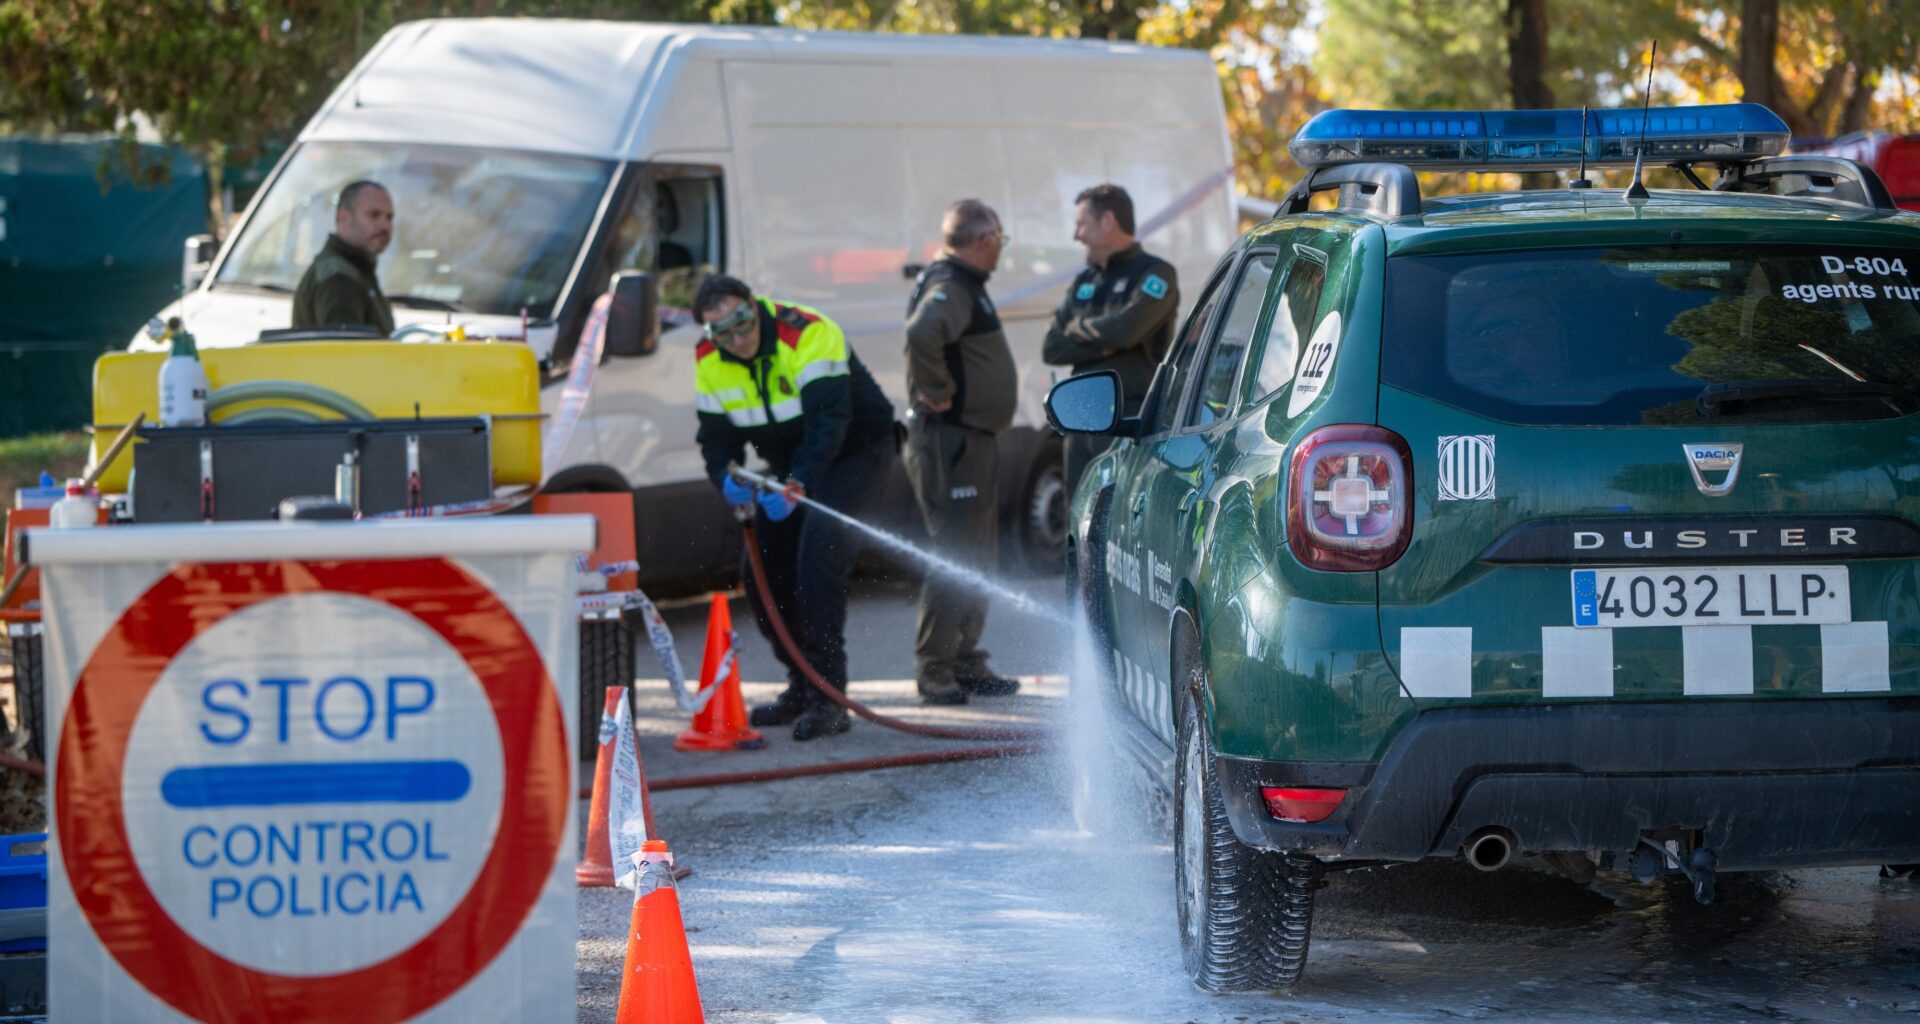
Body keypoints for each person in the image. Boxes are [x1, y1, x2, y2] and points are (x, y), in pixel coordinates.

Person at [692, 275, 897, 740]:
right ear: (710, 336)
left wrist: (799, 483)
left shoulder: (806, 331)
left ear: (753, 307)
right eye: (723, 333)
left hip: (854, 451)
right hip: (788, 463)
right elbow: (715, 436)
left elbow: (829, 423)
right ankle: (801, 685)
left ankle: (829, 699)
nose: (738, 339)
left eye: (743, 323)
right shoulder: (708, 359)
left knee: (817, 561)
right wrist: (723, 476)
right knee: (762, 570)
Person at [902, 200, 1023, 706]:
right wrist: (937, 388)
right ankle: (935, 666)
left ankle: (964, 656)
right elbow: (922, 333)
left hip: (972, 441)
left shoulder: (966, 284)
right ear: (982, 239)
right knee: (954, 554)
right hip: (950, 442)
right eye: (1000, 238)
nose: (1001, 247)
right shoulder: (951, 285)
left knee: (977, 554)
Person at [1042, 184, 1180, 491]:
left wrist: (1077, 328)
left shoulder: (1156, 274)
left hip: (1127, 420)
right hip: (1078, 419)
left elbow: (1125, 331)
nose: (1076, 235)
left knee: (1111, 519)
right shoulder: (1084, 281)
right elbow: (1051, 347)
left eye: (1081, 224)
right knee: (1076, 523)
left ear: (1108, 222)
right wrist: (1103, 343)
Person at [292, 180, 396, 335]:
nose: (385, 226)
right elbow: (345, 355)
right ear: (343, 217)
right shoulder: (339, 279)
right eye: (374, 215)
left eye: (389, 217)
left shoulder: (358, 268)